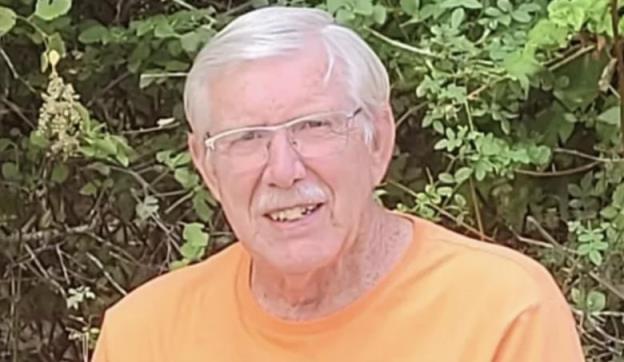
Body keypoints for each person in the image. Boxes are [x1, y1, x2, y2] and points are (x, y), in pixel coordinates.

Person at [92, 6, 584, 362]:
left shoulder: (503, 311)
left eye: (314, 126)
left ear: (378, 139)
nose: (283, 169)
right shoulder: (142, 336)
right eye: (246, 138)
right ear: (206, 165)